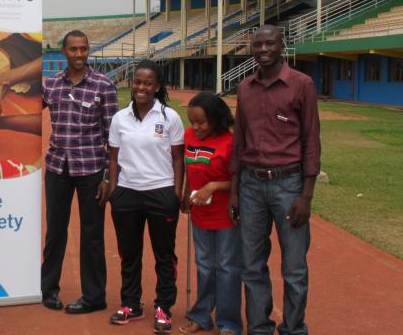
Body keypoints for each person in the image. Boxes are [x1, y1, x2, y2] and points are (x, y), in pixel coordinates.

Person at [228, 25, 320, 335]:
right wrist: (234, 191)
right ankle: (259, 328)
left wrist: (306, 196)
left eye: (270, 43)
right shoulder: (245, 88)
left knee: (294, 268)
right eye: (257, 44)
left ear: (282, 46)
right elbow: (238, 142)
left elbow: (311, 141)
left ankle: (293, 328)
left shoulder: (301, 84)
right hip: (250, 186)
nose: (263, 49)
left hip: (289, 185)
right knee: (252, 266)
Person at [41, 30, 118, 314]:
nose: (79, 55)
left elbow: (114, 138)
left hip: (91, 171)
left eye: (83, 49)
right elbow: (24, 108)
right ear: (64, 51)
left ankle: (94, 296)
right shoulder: (50, 86)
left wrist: (109, 178)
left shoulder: (104, 85)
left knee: (92, 234)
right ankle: (48, 290)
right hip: (57, 167)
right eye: (73, 49)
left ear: (88, 51)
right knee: (55, 232)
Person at [105, 59, 185, 334]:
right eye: (137, 81)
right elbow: (113, 158)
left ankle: (164, 306)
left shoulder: (169, 117)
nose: (141, 87)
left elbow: (178, 159)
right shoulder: (119, 118)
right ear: (131, 83)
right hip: (127, 193)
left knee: (164, 255)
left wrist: (175, 193)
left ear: (157, 86)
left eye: (148, 83)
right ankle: (130, 304)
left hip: (161, 192)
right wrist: (115, 191)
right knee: (129, 254)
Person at [179, 92, 242, 335]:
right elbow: (188, 166)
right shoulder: (189, 136)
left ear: (215, 119)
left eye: (201, 122)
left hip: (225, 214)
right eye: (192, 121)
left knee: (226, 266)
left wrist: (214, 186)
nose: (196, 127)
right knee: (204, 265)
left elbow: (239, 179)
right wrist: (186, 193)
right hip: (200, 214)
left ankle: (229, 323)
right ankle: (202, 316)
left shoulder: (230, 142)